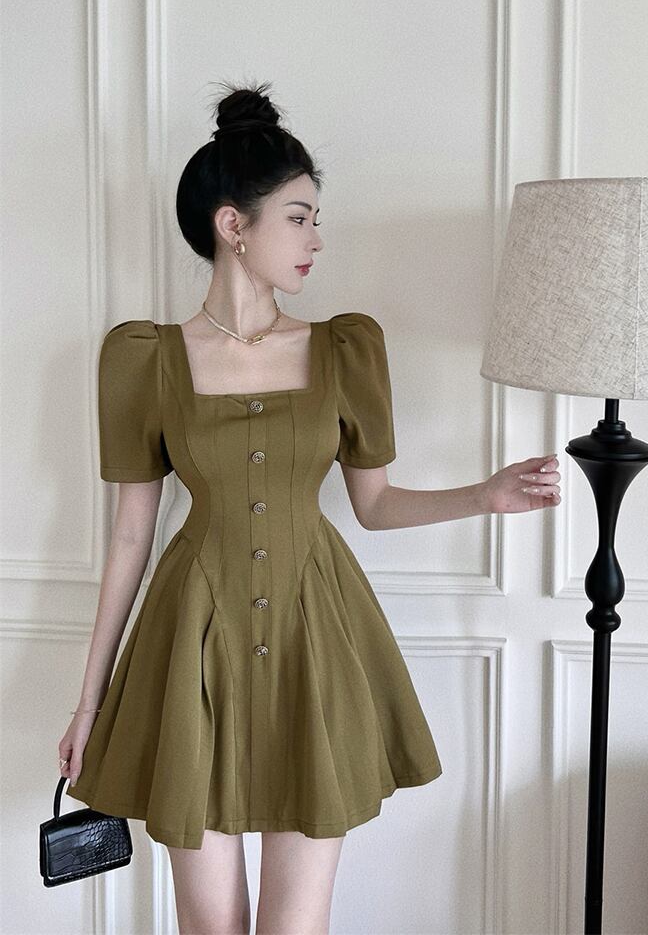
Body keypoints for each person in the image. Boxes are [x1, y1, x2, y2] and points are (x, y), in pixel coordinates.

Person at [57, 80, 562, 935]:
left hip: (314, 639)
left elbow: (375, 505)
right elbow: (132, 535)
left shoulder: (343, 349)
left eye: (314, 219)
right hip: (192, 646)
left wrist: (485, 495)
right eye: (298, 218)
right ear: (233, 225)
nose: (316, 240)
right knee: (210, 927)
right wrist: (90, 702)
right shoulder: (143, 359)